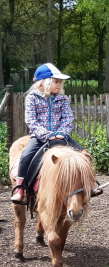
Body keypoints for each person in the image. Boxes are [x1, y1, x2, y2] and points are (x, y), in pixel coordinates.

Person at [11, 63, 84, 202]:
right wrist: (48, 135)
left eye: (60, 82)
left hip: (62, 137)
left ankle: (89, 184)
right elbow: (31, 120)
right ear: (45, 82)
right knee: (26, 157)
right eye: (56, 81)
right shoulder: (32, 98)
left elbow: (68, 118)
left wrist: (62, 132)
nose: (59, 85)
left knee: (83, 155)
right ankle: (20, 189)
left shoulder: (63, 98)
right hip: (40, 138)